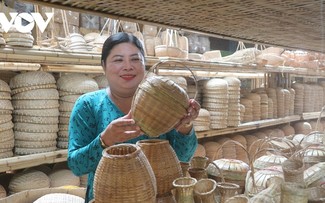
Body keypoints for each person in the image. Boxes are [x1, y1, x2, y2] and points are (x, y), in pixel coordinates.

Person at [67, 32, 200, 202]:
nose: (128, 66)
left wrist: (185, 125)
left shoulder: (163, 104)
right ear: (103, 66)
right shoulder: (88, 105)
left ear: (145, 64)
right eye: (118, 60)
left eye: (135, 59)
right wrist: (105, 140)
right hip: (105, 198)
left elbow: (183, 157)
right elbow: (76, 166)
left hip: (156, 197)